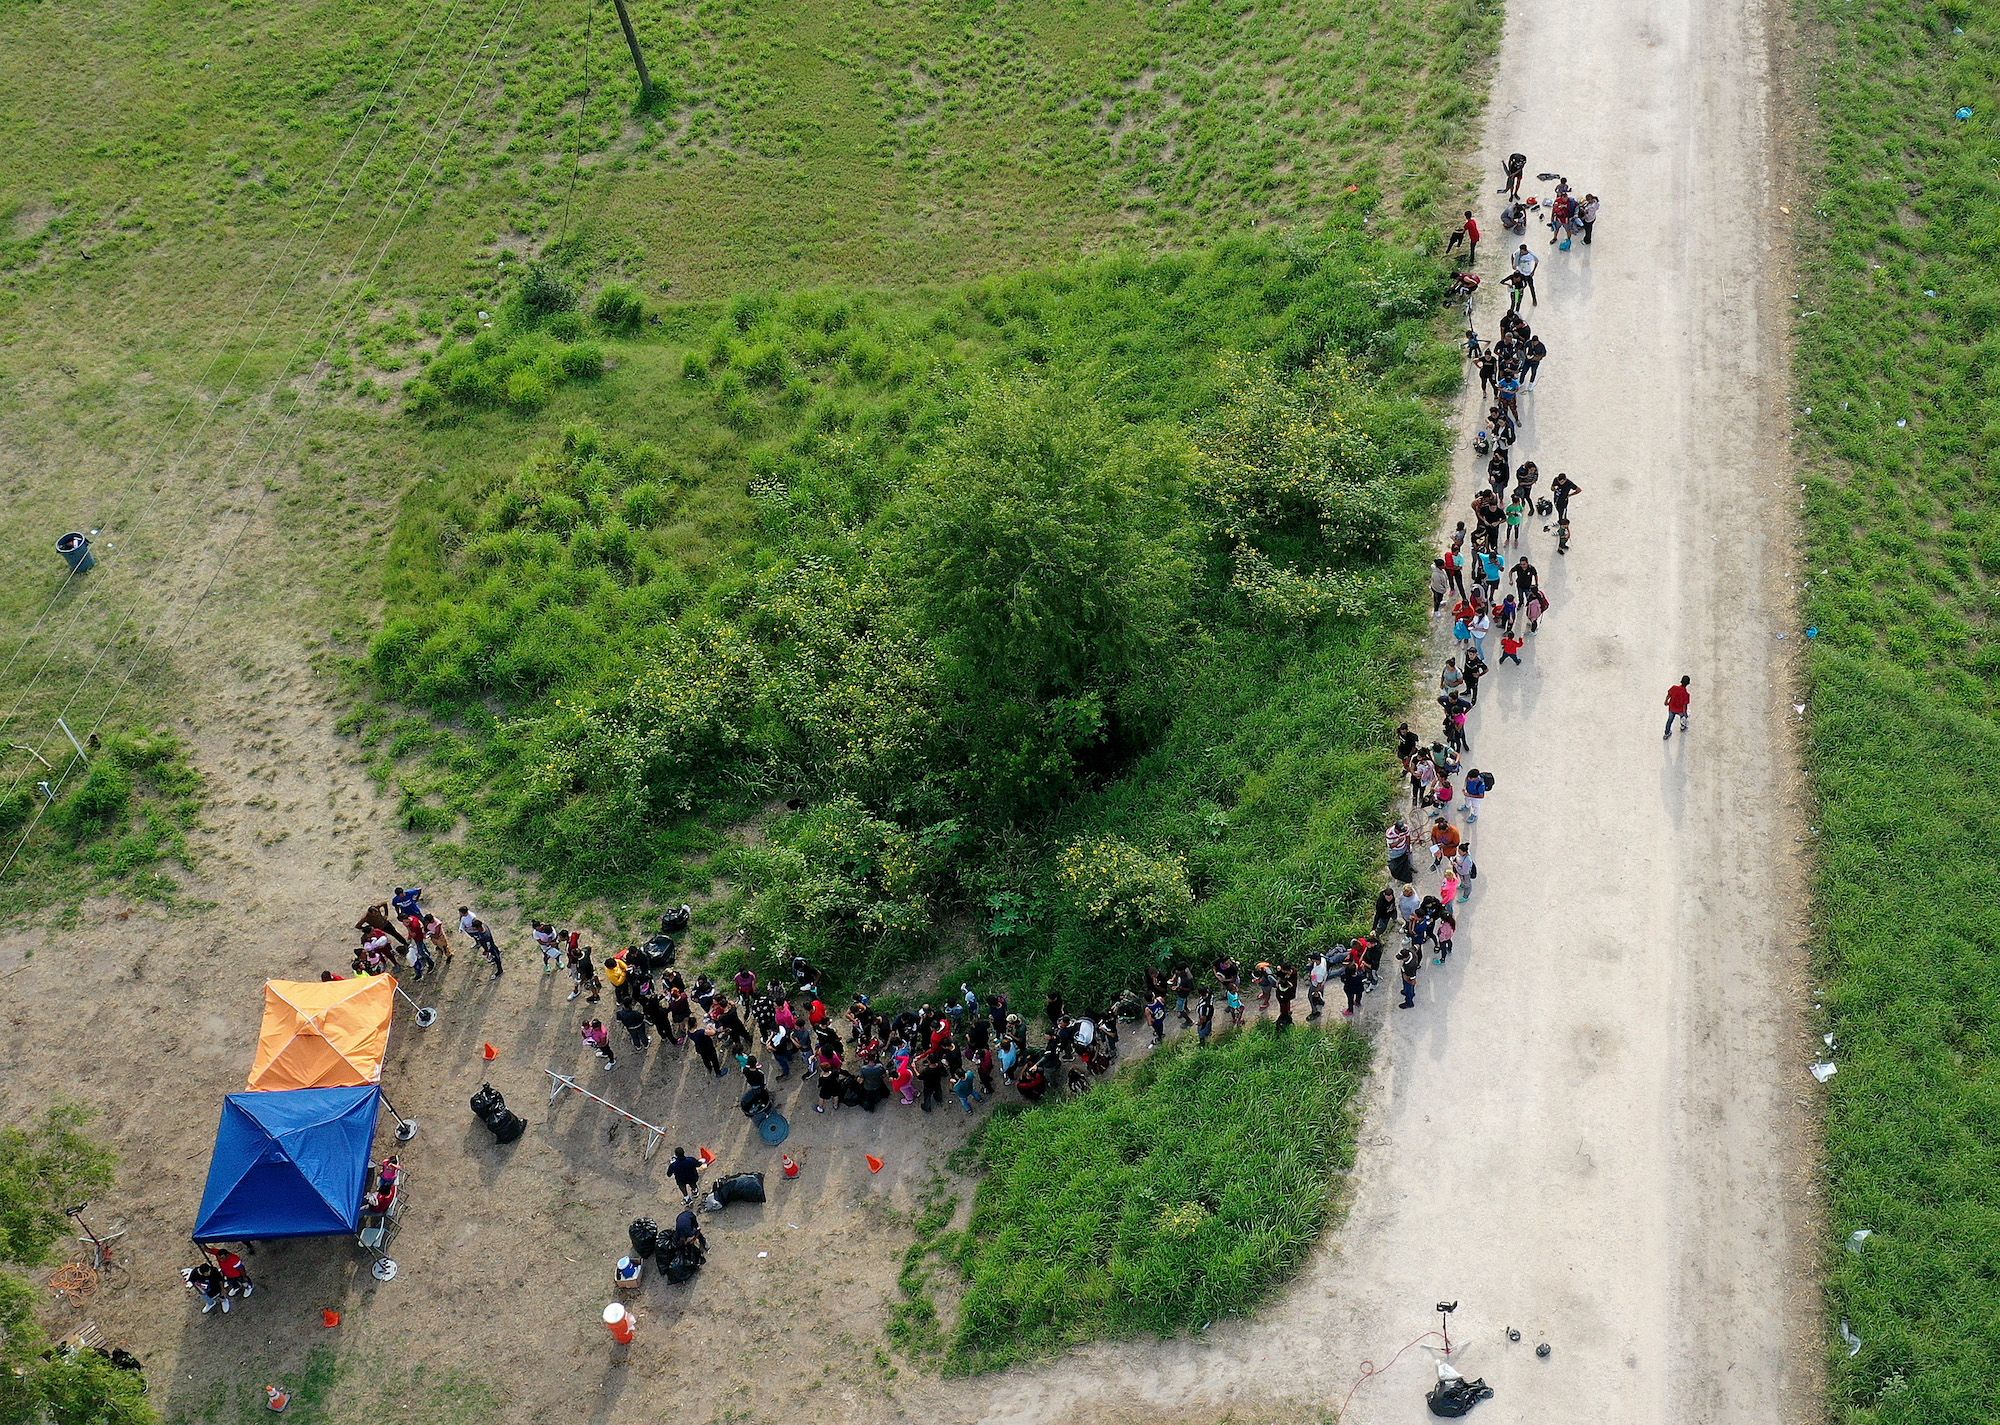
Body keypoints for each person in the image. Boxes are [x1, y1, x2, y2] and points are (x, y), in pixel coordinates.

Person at [459, 908, 502, 977]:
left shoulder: (484, 936)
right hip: (491, 943)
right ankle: (498, 953)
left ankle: (499, 970)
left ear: (478, 928)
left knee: (496, 957)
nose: (473, 929)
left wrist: (486, 951)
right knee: (494, 946)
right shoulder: (484, 926)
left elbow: (488, 945)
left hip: (489, 947)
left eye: (474, 928)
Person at [1397, 943, 1421, 1009]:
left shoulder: (1410, 966)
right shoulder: (1411, 951)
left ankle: (1409, 1003)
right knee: (1407, 988)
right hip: (1406, 974)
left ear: (1406, 957)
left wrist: (1405, 977)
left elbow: (1413, 981)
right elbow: (1417, 945)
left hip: (1408, 977)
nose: (1401, 960)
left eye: (1402, 958)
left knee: (1409, 989)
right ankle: (1410, 993)